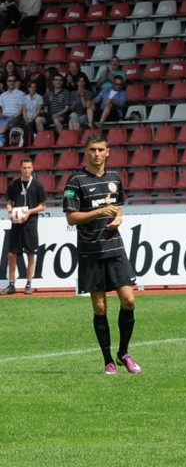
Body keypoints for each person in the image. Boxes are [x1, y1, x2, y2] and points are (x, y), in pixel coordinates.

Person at [62, 132, 141, 375]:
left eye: (101, 150)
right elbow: (71, 217)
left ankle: (123, 353)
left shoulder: (115, 178)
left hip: (115, 248)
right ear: (86, 151)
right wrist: (98, 213)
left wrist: (117, 219)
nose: (96, 154)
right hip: (90, 251)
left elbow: (117, 210)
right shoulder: (75, 182)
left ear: (108, 152)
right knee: (100, 308)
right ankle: (108, 359)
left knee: (129, 300)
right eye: (92, 149)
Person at [2, 156, 46, 296]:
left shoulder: (38, 185)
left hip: (31, 224)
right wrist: (10, 211)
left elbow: (43, 206)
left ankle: (29, 284)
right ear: (20, 169)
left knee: (31, 254)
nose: (27, 170)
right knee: (11, 254)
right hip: (16, 223)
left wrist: (29, 212)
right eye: (24, 168)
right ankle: (11, 284)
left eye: (29, 168)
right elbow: (9, 202)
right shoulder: (14, 184)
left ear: (32, 168)